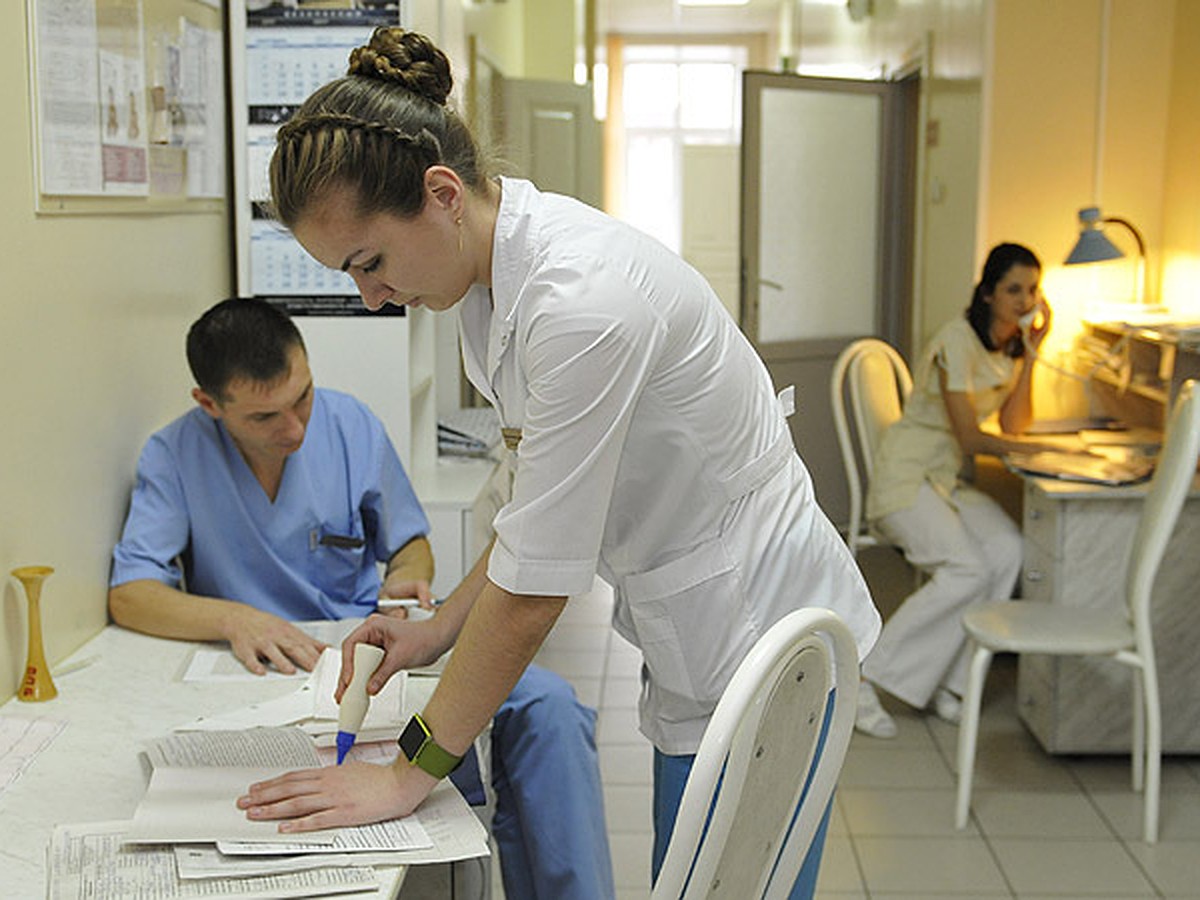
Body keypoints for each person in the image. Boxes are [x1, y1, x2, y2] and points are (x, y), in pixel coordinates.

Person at [235, 27, 881, 898]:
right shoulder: (486, 286)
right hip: (696, 635)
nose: (371, 295)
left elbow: (536, 591)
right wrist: (438, 626)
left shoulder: (581, 304)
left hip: (760, 629)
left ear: (440, 194)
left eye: (371, 262)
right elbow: (529, 511)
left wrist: (405, 773)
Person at [108, 297, 614, 900]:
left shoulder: (349, 425)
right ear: (210, 405)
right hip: (260, 674)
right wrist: (234, 617)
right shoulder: (173, 457)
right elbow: (131, 595)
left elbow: (410, 546)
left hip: (367, 654)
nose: (295, 428)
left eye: (302, 397)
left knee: (549, 702)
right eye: (266, 417)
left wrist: (405, 578)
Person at [855, 242, 1067, 739]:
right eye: (1013, 289)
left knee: (1009, 550)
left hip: (945, 480)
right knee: (966, 568)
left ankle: (951, 683)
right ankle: (866, 674)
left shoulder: (1008, 347)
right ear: (989, 293)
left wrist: (1036, 351)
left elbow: (1016, 422)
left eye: (1032, 289)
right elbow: (972, 437)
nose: (1024, 299)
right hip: (907, 477)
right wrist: (1029, 452)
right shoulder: (956, 339)